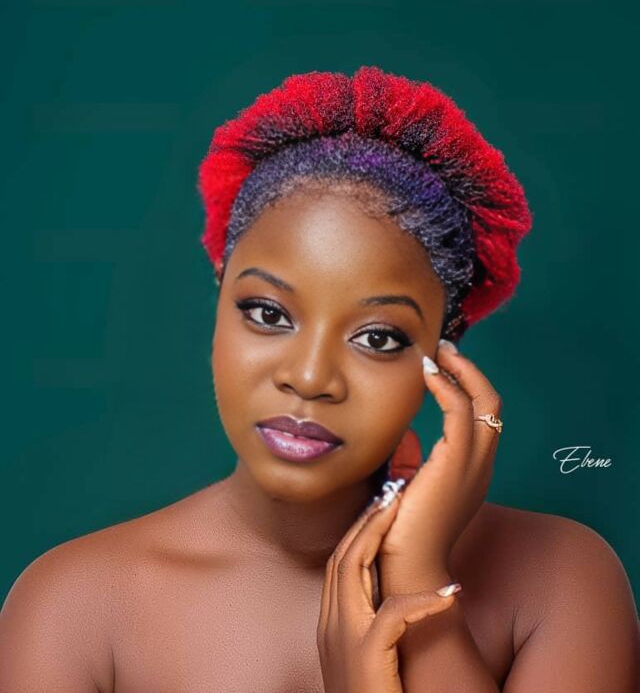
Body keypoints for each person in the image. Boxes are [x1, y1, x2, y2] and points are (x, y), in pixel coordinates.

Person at [0, 66, 637, 691]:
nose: (309, 378)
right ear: (220, 297)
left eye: (378, 338)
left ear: (442, 357)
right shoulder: (73, 611)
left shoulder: (559, 582)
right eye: (268, 313)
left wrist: (418, 587)